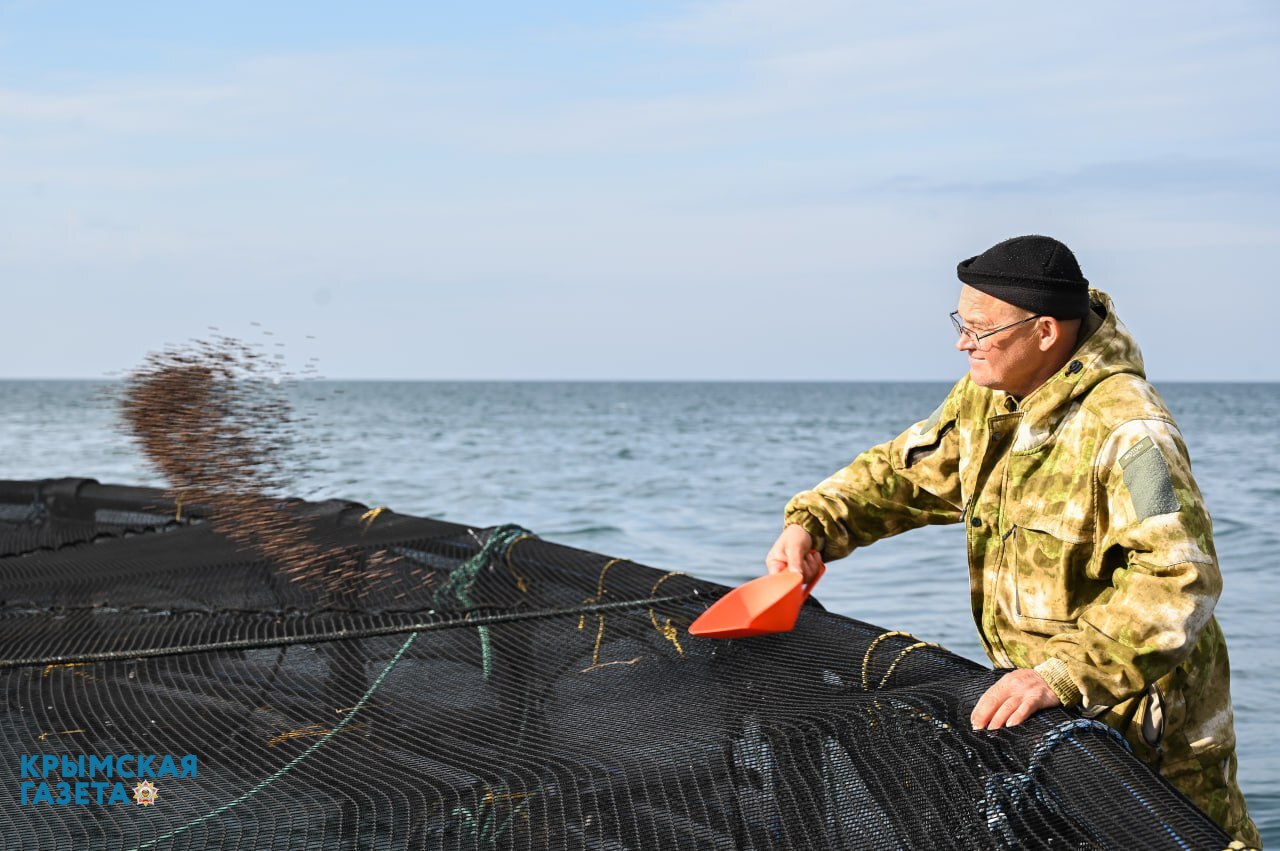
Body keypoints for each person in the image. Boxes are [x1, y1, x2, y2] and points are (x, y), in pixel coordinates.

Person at [766, 235, 1260, 847]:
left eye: (978, 329)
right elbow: (908, 473)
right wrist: (813, 523)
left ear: (1046, 332)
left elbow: (1180, 579)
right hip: (1047, 717)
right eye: (959, 322)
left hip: (1147, 731)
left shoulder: (1131, 430)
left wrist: (1061, 675)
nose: (961, 343)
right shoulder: (989, 394)